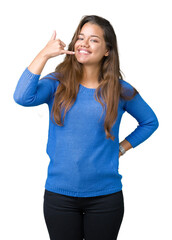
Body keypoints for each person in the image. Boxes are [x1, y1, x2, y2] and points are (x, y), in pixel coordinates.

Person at [13, 15, 159, 240]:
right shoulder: (56, 83)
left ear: (107, 50)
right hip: (59, 196)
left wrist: (121, 148)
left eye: (93, 40)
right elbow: (22, 97)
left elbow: (150, 122)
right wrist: (44, 54)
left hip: (105, 197)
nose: (83, 43)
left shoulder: (120, 89)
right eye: (80, 37)